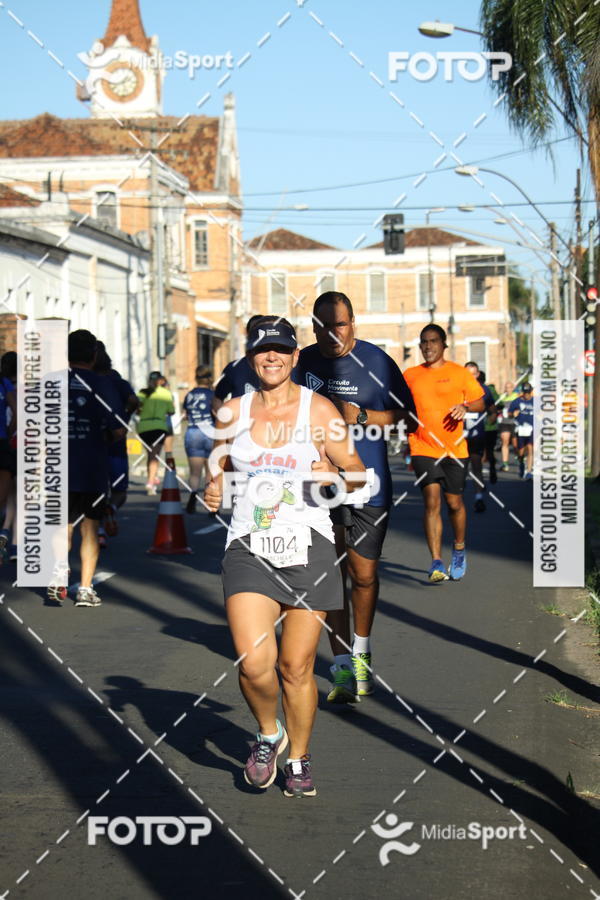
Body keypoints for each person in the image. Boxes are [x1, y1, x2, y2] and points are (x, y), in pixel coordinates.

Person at [204, 317, 365, 797]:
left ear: (296, 357)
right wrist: (213, 487)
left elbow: (358, 473)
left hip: (309, 544)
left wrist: (334, 478)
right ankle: (267, 733)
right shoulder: (233, 411)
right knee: (254, 663)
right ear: (250, 357)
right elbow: (218, 466)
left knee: (296, 667)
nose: (271, 357)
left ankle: (298, 757)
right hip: (249, 543)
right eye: (262, 350)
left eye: (280, 350)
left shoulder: (320, 411)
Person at [294, 291, 416, 703]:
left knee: (362, 575)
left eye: (340, 325)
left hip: (369, 483)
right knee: (330, 576)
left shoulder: (377, 361)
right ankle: (343, 667)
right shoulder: (304, 362)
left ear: (353, 323)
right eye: (323, 326)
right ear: (313, 328)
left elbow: (410, 418)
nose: (332, 334)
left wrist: (361, 417)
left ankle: (361, 650)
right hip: (317, 487)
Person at [48, 330, 125, 607]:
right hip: (92, 466)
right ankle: (84, 589)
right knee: (90, 528)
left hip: (58, 466)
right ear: (94, 356)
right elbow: (118, 429)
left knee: (63, 524)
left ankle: (58, 571)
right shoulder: (101, 384)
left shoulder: (51, 382)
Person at [403, 325, 485, 583]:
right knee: (432, 502)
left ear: (443, 344)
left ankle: (458, 548)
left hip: (455, 448)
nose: (428, 347)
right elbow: (399, 404)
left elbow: (481, 401)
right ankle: (436, 561)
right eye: (424, 342)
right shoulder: (411, 375)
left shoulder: (459, 373)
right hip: (423, 446)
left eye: (433, 341)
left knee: (454, 503)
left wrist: (465, 405)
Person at [93, 342, 139, 540]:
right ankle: (111, 508)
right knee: (120, 490)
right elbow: (133, 401)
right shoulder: (118, 381)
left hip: (94, 441)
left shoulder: (87, 380)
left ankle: (100, 528)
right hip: (117, 440)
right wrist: (124, 418)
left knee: (96, 488)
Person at [212, 314, 263, 414]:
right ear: (247, 335)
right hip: (242, 428)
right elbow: (217, 399)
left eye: (261, 331)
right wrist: (227, 421)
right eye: (254, 331)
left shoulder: (279, 366)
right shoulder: (233, 368)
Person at [463, 362, 497, 513]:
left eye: (473, 374)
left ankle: (478, 498)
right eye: (467, 374)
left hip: (477, 434)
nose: (470, 377)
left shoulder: (484, 390)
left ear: (477, 374)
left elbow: (492, 408)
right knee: (460, 468)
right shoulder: (457, 389)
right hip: (458, 436)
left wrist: (492, 417)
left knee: (476, 465)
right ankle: (457, 499)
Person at [183, 366, 214, 513]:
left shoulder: (189, 395)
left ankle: (192, 496)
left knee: (195, 472)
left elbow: (186, 414)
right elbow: (217, 412)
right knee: (210, 472)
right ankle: (210, 505)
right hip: (209, 431)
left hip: (193, 431)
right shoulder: (212, 394)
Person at [137, 371, 174, 495]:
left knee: (150, 454)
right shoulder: (166, 393)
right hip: (158, 426)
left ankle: (152, 479)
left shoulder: (142, 392)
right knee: (155, 455)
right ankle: (151, 482)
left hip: (143, 427)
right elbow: (171, 411)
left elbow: (137, 407)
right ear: (159, 380)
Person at [0, 351, 16, 563]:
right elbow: (17, 412)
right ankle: (5, 534)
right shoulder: (4, 383)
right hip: (3, 442)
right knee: (6, 496)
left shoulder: (5, 383)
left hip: (4, 441)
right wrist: (9, 431)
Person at [508, 382, 534, 479]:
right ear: (522, 392)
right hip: (520, 428)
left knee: (531, 448)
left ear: (531, 392)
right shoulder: (516, 401)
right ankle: (521, 463)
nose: (527, 395)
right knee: (521, 451)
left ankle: (529, 471)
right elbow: (509, 413)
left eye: (528, 393)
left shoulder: (536, 401)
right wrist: (513, 414)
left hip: (532, 428)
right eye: (525, 393)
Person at [497, 381, 520, 471]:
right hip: (504, 422)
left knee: (515, 444)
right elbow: (498, 407)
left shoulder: (516, 396)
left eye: (510, 387)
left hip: (514, 422)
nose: (508, 389)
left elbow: (520, 408)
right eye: (506, 387)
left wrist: (516, 413)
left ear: (513, 388)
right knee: (505, 441)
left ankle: (519, 457)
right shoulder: (502, 397)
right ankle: (505, 463)